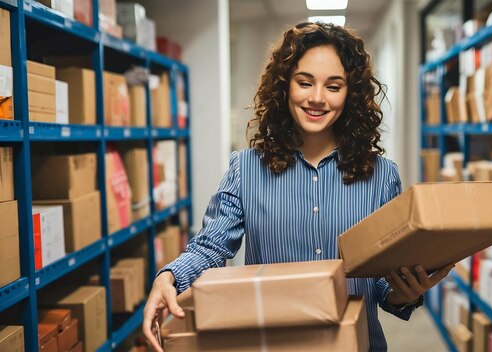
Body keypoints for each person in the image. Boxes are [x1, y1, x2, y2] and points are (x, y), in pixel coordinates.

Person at [143, 21, 454, 351]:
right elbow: (211, 246)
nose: (317, 98)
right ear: (285, 86)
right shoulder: (246, 168)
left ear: (350, 95)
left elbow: (380, 280)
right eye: (305, 83)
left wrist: (402, 293)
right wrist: (170, 277)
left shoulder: (381, 176)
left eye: (334, 87)